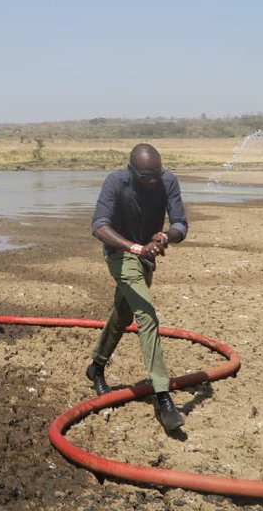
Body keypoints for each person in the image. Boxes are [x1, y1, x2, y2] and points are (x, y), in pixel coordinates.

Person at [86, 143, 189, 431]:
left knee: (123, 314)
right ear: (131, 170)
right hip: (121, 255)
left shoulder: (167, 179)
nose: (154, 181)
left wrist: (165, 237)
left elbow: (180, 223)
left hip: (146, 257)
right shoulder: (115, 182)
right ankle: (163, 396)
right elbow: (99, 226)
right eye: (146, 178)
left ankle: (96, 366)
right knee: (146, 315)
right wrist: (135, 247)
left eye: (156, 175)